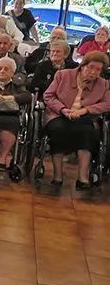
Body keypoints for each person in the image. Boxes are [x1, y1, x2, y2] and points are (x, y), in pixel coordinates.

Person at [43, 51, 110, 189]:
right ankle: (57, 175)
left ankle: (83, 177)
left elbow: (107, 104)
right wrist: (62, 109)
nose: (93, 72)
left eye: (98, 70)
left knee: (88, 133)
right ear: (82, 65)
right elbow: (48, 96)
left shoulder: (103, 84)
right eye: (91, 67)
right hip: (59, 115)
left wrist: (86, 110)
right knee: (58, 130)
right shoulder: (63, 75)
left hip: (84, 118)